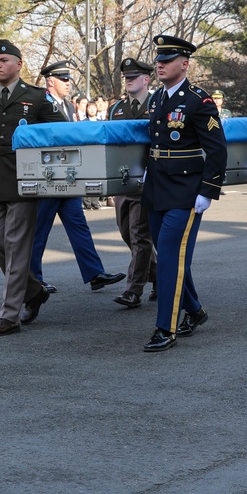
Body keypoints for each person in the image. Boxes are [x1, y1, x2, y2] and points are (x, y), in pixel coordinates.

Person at [0, 39, 64, 337]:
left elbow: (60, 134)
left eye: (4, 60)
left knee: (17, 247)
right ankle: (35, 290)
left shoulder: (36, 98)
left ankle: (9, 316)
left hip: (26, 183)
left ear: (19, 65)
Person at [141, 35, 227, 352]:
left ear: (184, 64)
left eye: (167, 59)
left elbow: (217, 151)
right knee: (170, 257)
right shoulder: (157, 99)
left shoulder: (198, 101)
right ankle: (195, 310)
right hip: (157, 188)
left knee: (168, 259)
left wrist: (208, 191)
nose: (160, 64)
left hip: (185, 191)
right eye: (158, 59)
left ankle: (166, 327)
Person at [29, 60, 125, 296]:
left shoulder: (69, 107)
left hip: (67, 176)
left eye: (69, 79)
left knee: (79, 225)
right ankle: (33, 281)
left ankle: (94, 273)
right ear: (50, 81)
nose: (68, 83)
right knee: (39, 231)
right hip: (49, 177)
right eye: (64, 79)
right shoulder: (40, 103)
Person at [108, 57, 158, 308]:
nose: (128, 81)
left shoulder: (157, 104)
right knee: (126, 232)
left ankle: (133, 290)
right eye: (126, 77)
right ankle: (158, 275)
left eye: (133, 77)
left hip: (146, 180)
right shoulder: (117, 109)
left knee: (139, 235)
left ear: (146, 79)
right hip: (121, 182)